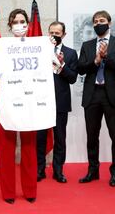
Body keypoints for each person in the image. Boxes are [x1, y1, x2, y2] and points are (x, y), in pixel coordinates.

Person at [77, 10, 115, 187]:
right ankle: (93, 171)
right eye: (95, 21)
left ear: (109, 22)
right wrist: (96, 60)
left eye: (101, 20)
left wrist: (107, 58)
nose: (97, 23)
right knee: (92, 136)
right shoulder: (87, 45)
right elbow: (81, 69)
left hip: (112, 96)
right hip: (92, 95)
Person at [0, 9, 38, 204]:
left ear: (28, 24)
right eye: (15, 22)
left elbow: (52, 67)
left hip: (30, 99)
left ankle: (30, 191)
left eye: (22, 21)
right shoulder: (2, 46)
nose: (19, 25)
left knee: (29, 147)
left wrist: (50, 48)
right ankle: (8, 192)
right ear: (10, 26)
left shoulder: (39, 46)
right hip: (8, 98)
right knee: (7, 148)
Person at [37, 21, 78, 183]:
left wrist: (61, 66)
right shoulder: (40, 51)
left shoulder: (71, 53)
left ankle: (58, 170)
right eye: (51, 32)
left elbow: (73, 78)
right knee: (39, 138)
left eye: (57, 33)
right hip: (41, 101)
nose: (54, 36)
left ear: (64, 35)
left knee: (60, 137)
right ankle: (40, 169)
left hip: (60, 101)